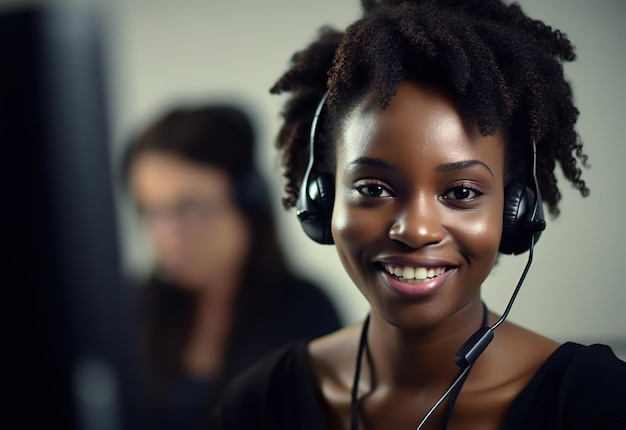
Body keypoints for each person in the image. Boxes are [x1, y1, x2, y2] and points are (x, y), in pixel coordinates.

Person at [208, 1, 626, 429]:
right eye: (373, 189)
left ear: (516, 210)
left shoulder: (597, 403)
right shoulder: (259, 406)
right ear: (323, 199)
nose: (416, 230)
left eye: (461, 192)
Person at [121, 103, 343, 430]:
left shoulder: (306, 311)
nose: (166, 236)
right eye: (151, 212)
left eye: (189, 208)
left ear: (247, 202)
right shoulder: (132, 307)